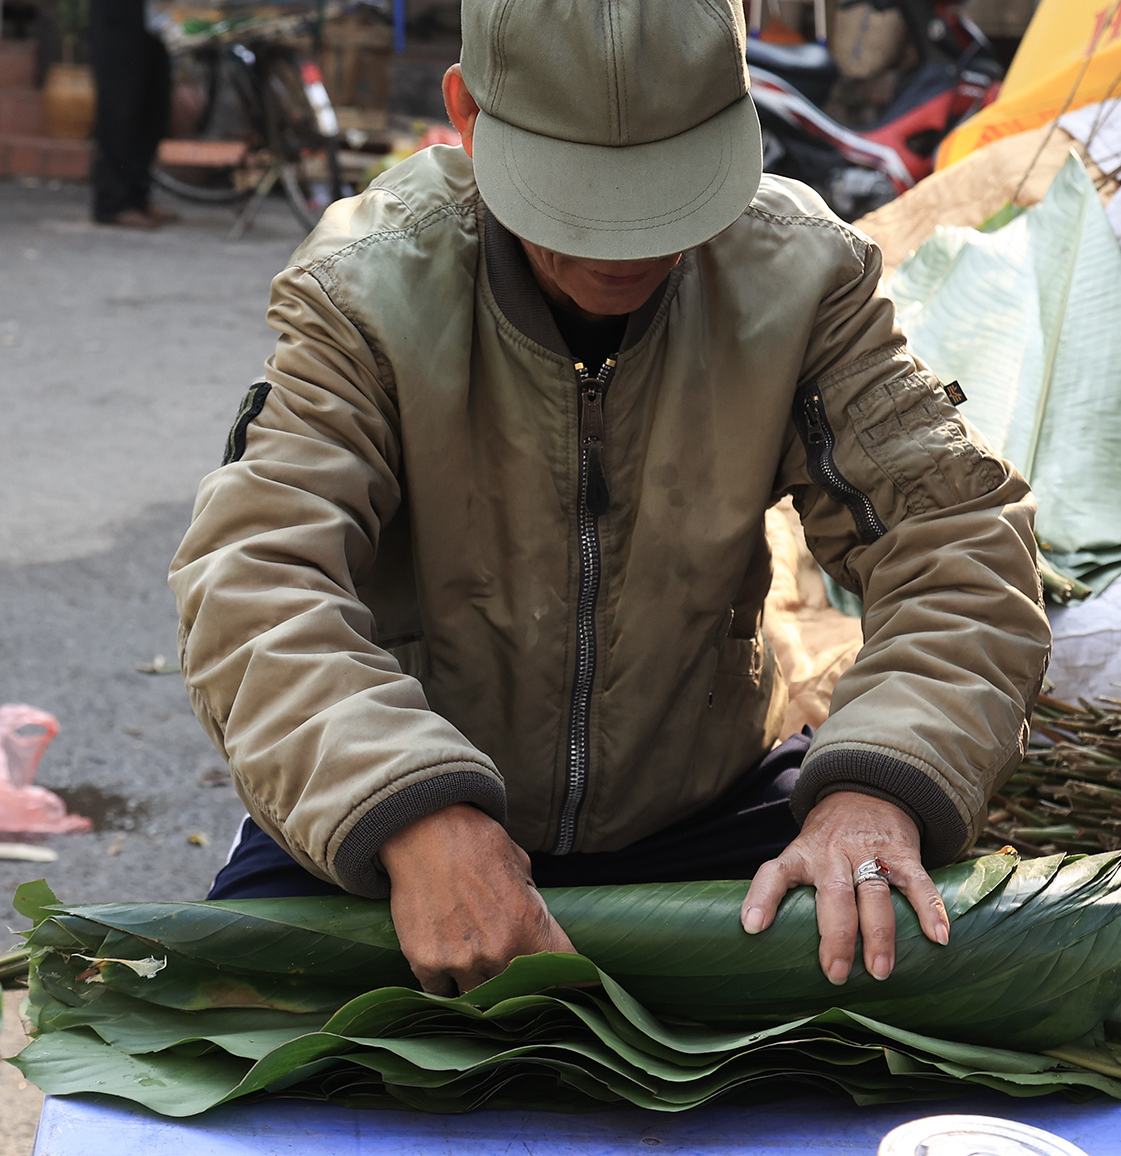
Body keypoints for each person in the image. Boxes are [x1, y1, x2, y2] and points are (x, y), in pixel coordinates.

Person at [170, 0, 1049, 998]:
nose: (626, 244)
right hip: (408, 821)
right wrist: (408, 807)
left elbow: (960, 546)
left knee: (910, 998)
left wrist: (874, 783)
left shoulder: (801, 280)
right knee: (237, 1047)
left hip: (700, 819)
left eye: (668, 188)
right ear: (467, 115)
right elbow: (255, 578)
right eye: (578, 194)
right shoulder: (364, 292)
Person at [90, 0, 175, 228]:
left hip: (152, 16)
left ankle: (138, 196)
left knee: (153, 104)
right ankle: (114, 202)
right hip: (120, 14)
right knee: (121, 104)